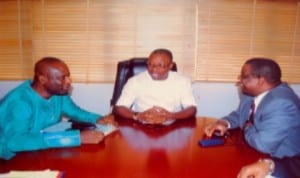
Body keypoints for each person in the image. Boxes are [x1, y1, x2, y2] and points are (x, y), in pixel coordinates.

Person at [0, 57, 111, 160]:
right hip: (11, 157)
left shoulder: (57, 93)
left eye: (68, 76)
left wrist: (98, 118)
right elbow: (15, 141)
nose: (69, 81)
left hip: (39, 150)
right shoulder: (21, 102)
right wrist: (76, 137)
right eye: (63, 78)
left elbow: (74, 111)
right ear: (42, 79)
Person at [203, 58, 300, 176]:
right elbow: (240, 114)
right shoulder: (251, 93)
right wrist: (224, 123)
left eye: (244, 77)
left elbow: (263, 144)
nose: (239, 81)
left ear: (261, 80)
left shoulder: (281, 102)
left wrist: (247, 126)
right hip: (252, 151)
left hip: (280, 164)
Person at [113, 48, 197, 125]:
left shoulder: (182, 81)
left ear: (170, 66)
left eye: (160, 65)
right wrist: (138, 115)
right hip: (142, 126)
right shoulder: (135, 81)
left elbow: (191, 108)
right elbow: (120, 107)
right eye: (150, 64)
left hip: (172, 126)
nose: (153, 69)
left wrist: (171, 116)